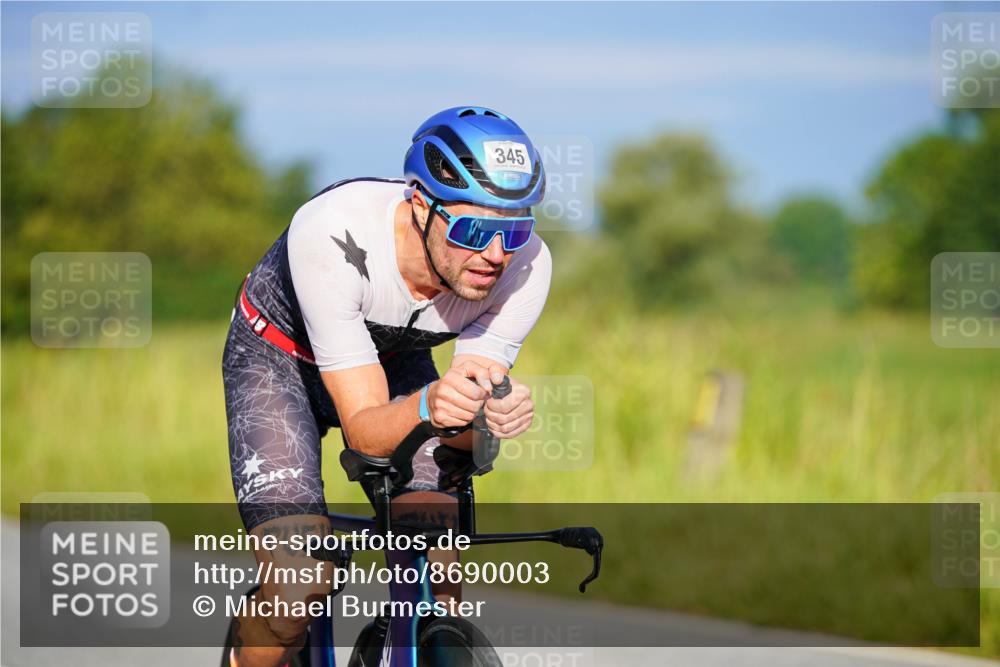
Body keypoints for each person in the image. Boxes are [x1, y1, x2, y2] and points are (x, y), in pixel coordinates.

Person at [222, 106, 552, 667]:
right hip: (278, 362)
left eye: (514, 230)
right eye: (475, 229)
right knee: (299, 587)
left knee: (436, 548)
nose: (497, 255)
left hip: (396, 359)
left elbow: (465, 443)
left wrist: (487, 424)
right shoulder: (333, 229)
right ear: (420, 203)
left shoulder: (527, 267)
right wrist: (427, 403)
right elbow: (367, 435)